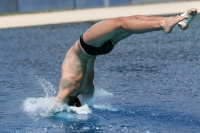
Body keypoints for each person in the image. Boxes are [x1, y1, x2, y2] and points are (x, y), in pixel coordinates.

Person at [49, 8, 197, 112]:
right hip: (86, 46)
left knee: (131, 21)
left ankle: (177, 20)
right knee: (121, 22)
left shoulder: (87, 90)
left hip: (102, 49)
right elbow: (53, 106)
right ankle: (164, 24)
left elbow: (85, 107)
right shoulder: (68, 88)